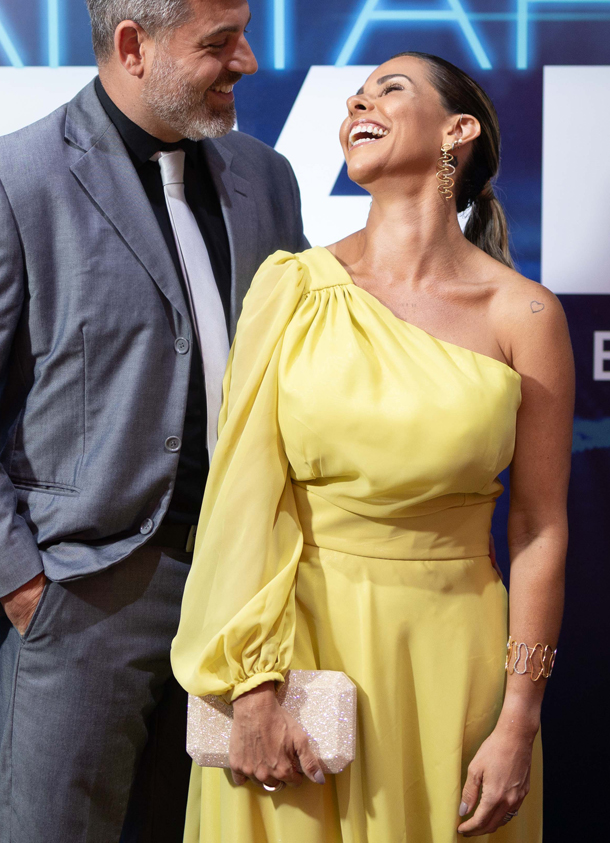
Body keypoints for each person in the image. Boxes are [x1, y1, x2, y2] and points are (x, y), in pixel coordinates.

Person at [0, 0, 308, 843]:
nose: (246, 61)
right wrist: (21, 586)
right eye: (218, 42)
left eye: (242, 33)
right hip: (86, 597)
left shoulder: (266, 177)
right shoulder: (14, 180)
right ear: (132, 46)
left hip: (246, 597)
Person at [171, 52, 573, 842]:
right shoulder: (291, 287)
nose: (360, 101)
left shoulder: (524, 314)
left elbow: (539, 526)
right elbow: (242, 497)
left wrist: (520, 716)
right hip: (293, 659)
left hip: (450, 656)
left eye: (390, 88)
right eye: (355, 94)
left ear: (458, 130)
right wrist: (249, 687)